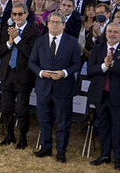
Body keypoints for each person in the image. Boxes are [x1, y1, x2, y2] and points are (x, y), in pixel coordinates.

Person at [29, 11, 82, 163]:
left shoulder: (71, 42)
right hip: (43, 86)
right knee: (44, 120)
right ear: (47, 24)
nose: (54, 25)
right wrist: (41, 73)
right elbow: (32, 62)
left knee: (62, 122)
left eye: (58, 22)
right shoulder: (40, 41)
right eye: (52, 22)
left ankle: (60, 151)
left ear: (64, 25)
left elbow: (77, 64)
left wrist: (64, 73)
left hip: (63, 87)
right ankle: (45, 148)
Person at [84, 22, 120, 171]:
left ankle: (118, 159)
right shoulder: (98, 48)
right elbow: (90, 69)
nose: (112, 34)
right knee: (103, 126)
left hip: (118, 97)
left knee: (118, 128)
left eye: (116, 32)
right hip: (101, 95)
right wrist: (105, 66)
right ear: (105, 33)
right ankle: (104, 155)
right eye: (110, 31)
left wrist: (112, 65)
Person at [0, 3, 39, 150]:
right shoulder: (7, 29)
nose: (17, 17)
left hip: (23, 76)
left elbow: (31, 53)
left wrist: (18, 39)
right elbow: (0, 51)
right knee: (6, 108)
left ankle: (23, 138)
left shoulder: (33, 32)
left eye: (20, 14)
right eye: (14, 14)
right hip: (7, 74)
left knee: (21, 109)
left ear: (26, 14)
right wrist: (9, 42)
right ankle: (9, 135)